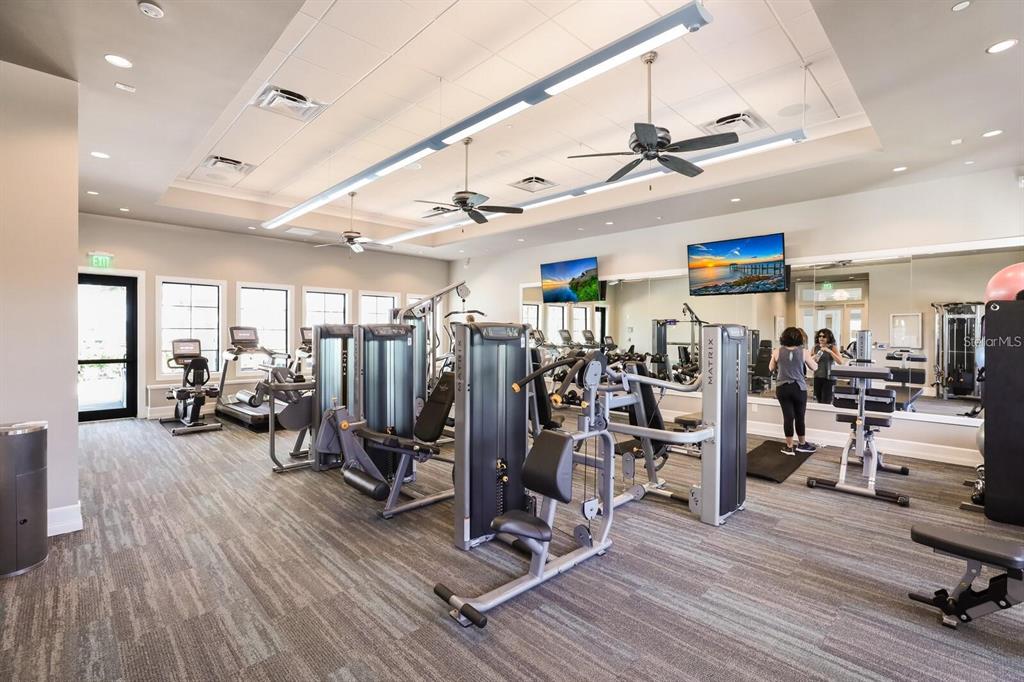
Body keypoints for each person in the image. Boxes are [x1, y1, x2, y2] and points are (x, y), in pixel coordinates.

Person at [769, 327, 818, 456]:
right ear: (800, 338)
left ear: (783, 337)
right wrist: (812, 360)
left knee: (788, 417)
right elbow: (814, 367)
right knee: (799, 417)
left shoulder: (777, 351)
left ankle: (789, 447)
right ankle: (802, 445)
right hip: (798, 388)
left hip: (782, 388)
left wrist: (775, 359)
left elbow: (770, 368)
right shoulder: (804, 352)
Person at [812, 328, 844, 404]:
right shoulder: (815, 347)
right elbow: (811, 361)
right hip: (817, 377)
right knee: (819, 401)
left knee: (826, 401)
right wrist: (816, 356)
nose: (821, 338)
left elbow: (840, 362)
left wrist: (830, 352)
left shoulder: (832, 347)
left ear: (828, 338)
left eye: (824, 336)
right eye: (820, 336)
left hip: (829, 378)